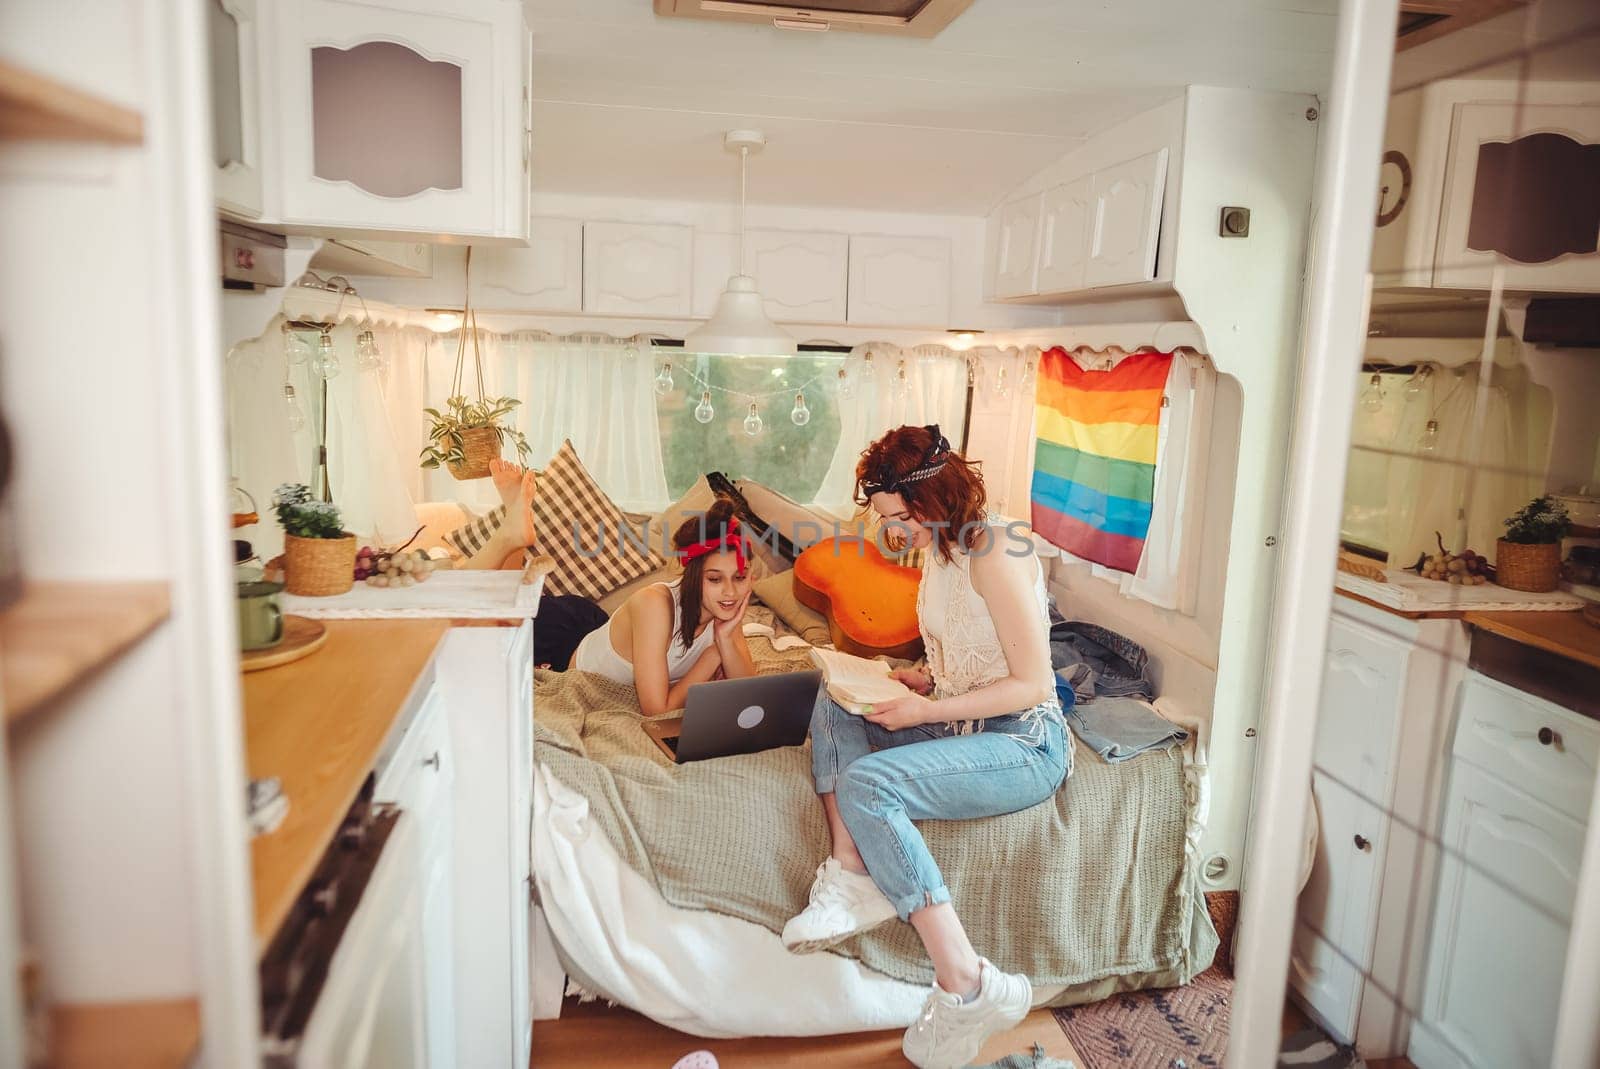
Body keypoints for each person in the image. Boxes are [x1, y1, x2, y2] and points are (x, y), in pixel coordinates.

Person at [781, 424, 1070, 1069]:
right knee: (835, 698)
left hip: (1024, 741)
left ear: (932, 499)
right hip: (966, 720)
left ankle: (966, 981)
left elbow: (1031, 684)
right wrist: (924, 679)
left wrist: (929, 709)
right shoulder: (941, 550)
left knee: (869, 784)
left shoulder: (994, 547)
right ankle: (852, 871)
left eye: (896, 517)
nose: (890, 531)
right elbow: (971, 653)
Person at [570, 495, 758, 716]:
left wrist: (725, 641)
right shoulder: (654, 604)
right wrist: (713, 655)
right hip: (582, 676)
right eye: (715, 579)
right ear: (694, 575)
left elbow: (751, 696)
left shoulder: (725, 608)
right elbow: (656, 711)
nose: (731, 592)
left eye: (740, 577)